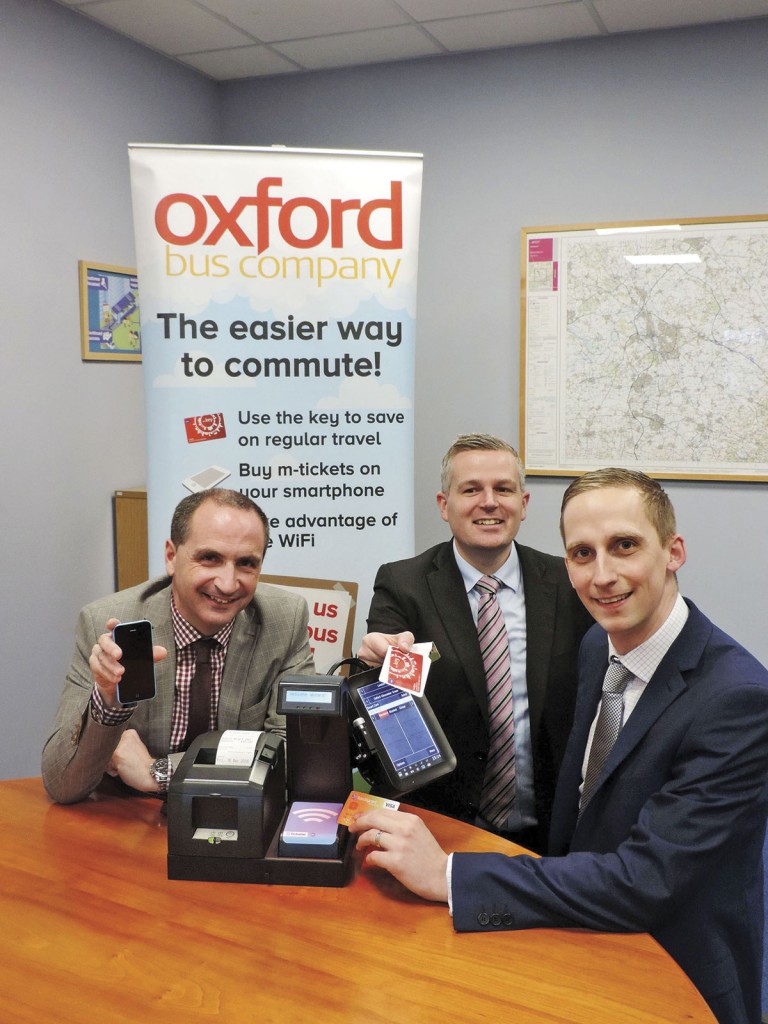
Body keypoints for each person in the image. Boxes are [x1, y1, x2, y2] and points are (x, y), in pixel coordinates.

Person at [350, 468, 768, 1024]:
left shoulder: (738, 700)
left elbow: (646, 881)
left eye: (624, 546)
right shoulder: (600, 644)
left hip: (677, 977)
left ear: (673, 551)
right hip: (585, 941)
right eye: (581, 553)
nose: (603, 576)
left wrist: (448, 873)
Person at [357, 433, 593, 853]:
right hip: (439, 829)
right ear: (444, 505)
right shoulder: (403, 583)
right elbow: (389, 704)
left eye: (503, 489)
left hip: (553, 834)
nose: (489, 502)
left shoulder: (569, 581)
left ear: (523, 503)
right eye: (471, 490)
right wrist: (377, 663)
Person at [42, 488, 315, 803]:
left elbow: (294, 760)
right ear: (171, 557)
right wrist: (107, 704)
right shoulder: (108, 623)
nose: (227, 583)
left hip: (235, 819)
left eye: (245, 564)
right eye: (210, 558)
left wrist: (157, 773)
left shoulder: (284, 620)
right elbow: (63, 785)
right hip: (132, 822)